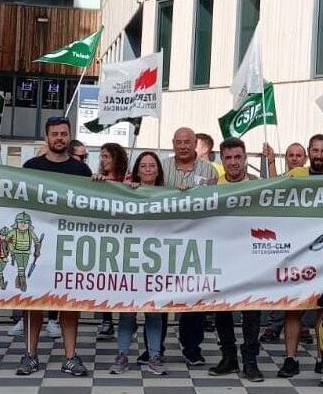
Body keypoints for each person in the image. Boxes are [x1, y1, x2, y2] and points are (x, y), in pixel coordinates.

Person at [15, 116, 93, 377]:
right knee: (34, 302)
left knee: (69, 303)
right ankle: (30, 355)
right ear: (46, 137)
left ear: (69, 136)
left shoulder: (81, 171)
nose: (59, 138)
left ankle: (70, 357)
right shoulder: (31, 166)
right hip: (39, 247)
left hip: (69, 247)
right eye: (55, 134)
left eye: (64, 133)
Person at [269, 134, 323, 378]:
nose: (318, 155)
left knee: (322, 309)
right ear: (309, 152)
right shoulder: (296, 175)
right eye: (315, 150)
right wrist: (272, 161)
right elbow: (273, 191)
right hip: (296, 253)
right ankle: (290, 359)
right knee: (292, 308)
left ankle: (322, 358)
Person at [159, 127, 217, 366]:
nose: (183, 146)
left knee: (192, 297)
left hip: (195, 242)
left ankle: (192, 347)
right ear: (173, 143)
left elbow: (215, 203)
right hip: (163, 242)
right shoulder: (161, 167)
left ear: (196, 144)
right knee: (158, 296)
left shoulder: (209, 171)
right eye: (178, 142)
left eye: (187, 142)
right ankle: (155, 348)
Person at [208, 138, 264, 382]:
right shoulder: (211, 186)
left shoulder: (260, 186)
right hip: (222, 258)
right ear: (222, 159)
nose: (233, 162)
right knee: (223, 310)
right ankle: (229, 357)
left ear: (245, 158)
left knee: (252, 310)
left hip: (252, 258)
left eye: (237, 157)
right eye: (228, 158)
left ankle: (250, 361)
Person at [108, 151, 169, 375]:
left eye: (152, 165)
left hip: (157, 262)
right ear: (137, 170)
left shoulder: (168, 194)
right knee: (127, 312)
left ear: (158, 170)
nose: (148, 169)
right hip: (131, 261)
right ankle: (122, 355)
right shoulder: (127, 191)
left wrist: (183, 193)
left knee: (154, 313)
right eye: (143, 166)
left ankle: (154, 356)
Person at [91, 143, 129, 340]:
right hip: (105, 238)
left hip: (126, 238)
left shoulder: (129, 180)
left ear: (116, 157)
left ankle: (125, 320)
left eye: (106, 156)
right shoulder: (99, 180)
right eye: (101, 157)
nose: (103, 160)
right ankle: (107, 320)